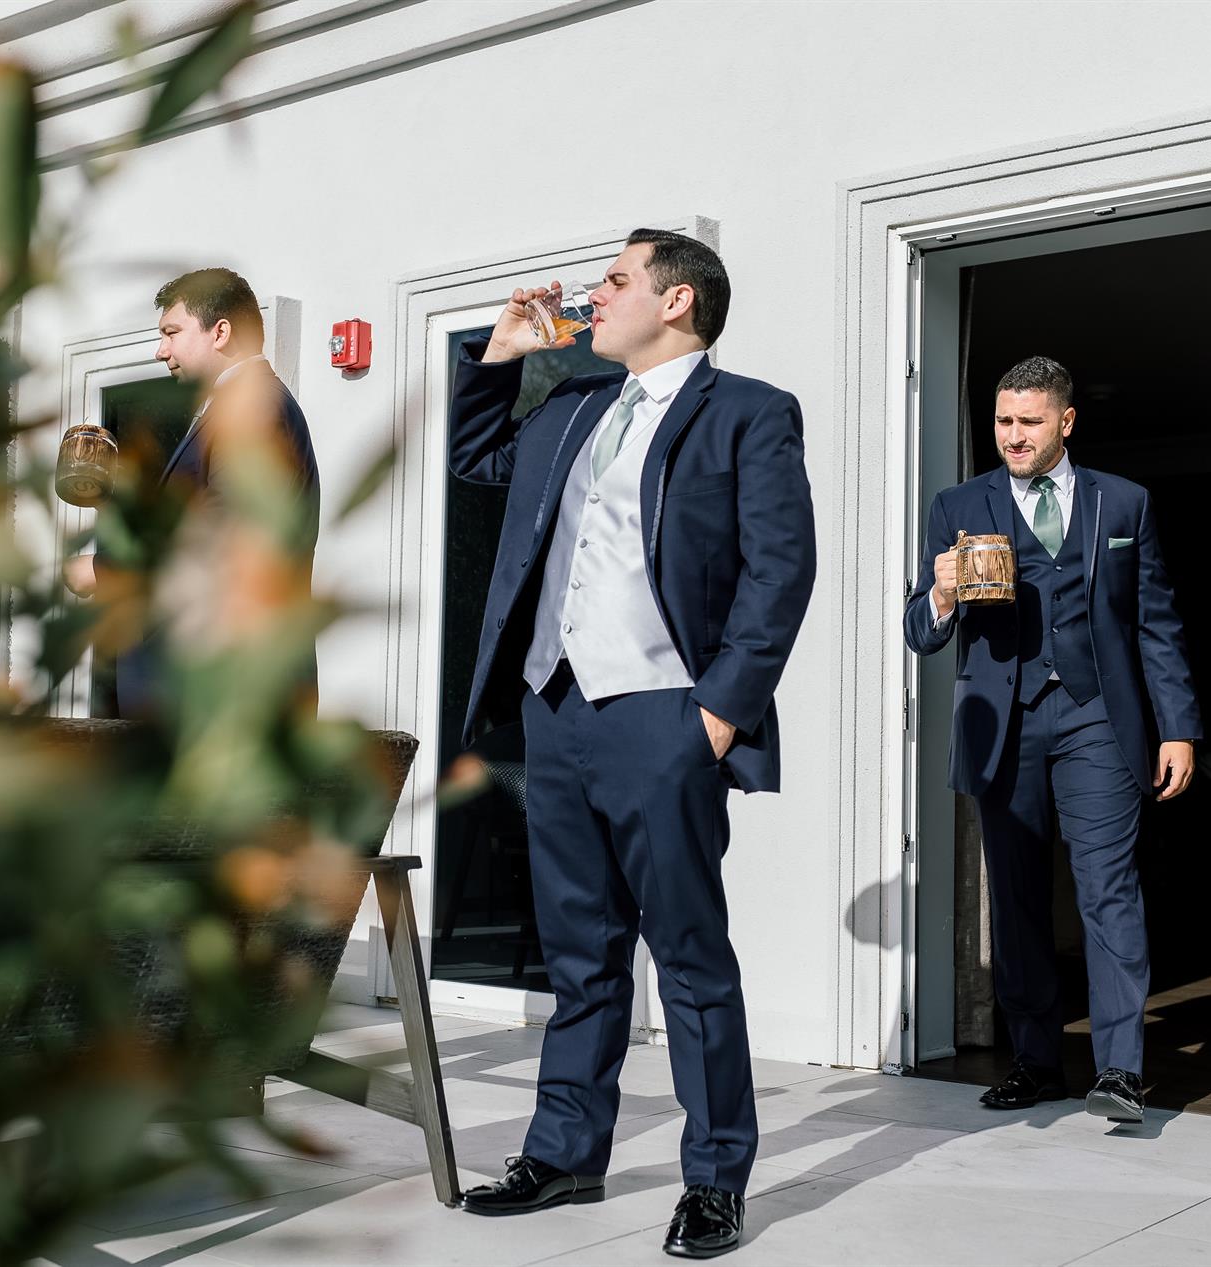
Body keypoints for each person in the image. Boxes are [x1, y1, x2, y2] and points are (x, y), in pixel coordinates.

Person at [448, 230, 815, 1258]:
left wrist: (718, 711)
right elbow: (475, 457)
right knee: (579, 951)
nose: (593, 296)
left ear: (678, 300)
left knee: (689, 955)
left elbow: (780, 569)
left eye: (615, 281)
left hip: (664, 713)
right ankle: (566, 1151)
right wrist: (501, 353)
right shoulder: (570, 407)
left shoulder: (749, 412)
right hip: (554, 706)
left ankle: (715, 1178)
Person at [903, 356, 1199, 1123]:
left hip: (1098, 715)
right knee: (1017, 898)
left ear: (1065, 421)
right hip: (1006, 724)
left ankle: (1121, 1069)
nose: (1013, 436)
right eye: (1003, 421)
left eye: (1029, 422)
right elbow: (920, 632)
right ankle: (1036, 1062)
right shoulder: (957, 504)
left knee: (1109, 889)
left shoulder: (1123, 502)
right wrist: (941, 594)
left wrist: (1178, 727)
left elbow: (1155, 623)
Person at [66, 268, 319, 718]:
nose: (161, 350)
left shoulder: (254, 408)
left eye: (172, 333)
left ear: (220, 332)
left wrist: (106, 570)